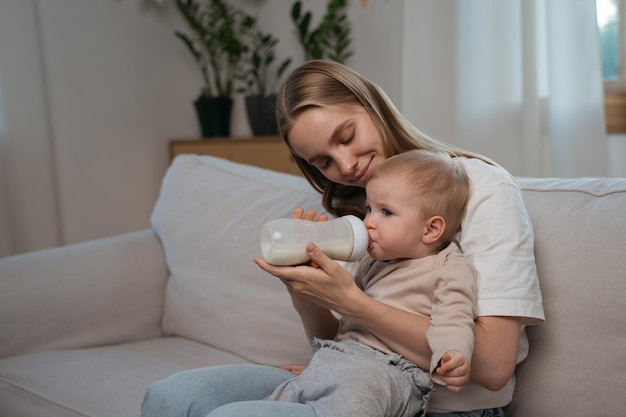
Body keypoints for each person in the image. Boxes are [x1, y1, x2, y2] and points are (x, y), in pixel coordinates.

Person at [140, 60, 544, 417]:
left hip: (438, 406)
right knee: (171, 398)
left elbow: (492, 368)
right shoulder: (363, 213)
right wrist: (307, 298)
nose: (347, 166)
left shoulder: (483, 188)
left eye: (347, 136)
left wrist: (353, 304)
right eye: (324, 162)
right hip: (350, 375)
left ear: (373, 106)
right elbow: (349, 336)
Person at [262, 149, 477, 417]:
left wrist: (454, 353)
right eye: (369, 209)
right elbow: (348, 327)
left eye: (385, 212)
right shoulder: (372, 262)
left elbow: (454, 318)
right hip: (340, 357)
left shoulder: (450, 266)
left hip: (389, 370)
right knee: (277, 400)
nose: (368, 223)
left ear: (431, 229)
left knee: (356, 396)